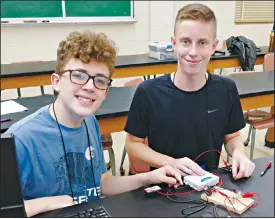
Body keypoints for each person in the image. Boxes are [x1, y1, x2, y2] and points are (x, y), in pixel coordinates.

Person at [6, 31, 183, 217]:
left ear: (105, 92)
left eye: (100, 80)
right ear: (56, 82)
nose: (90, 86)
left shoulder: (90, 123)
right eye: (79, 75)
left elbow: (101, 183)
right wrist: (46, 203)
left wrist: (148, 178)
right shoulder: (22, 139)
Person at [124, 3, 255, 180]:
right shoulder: (148, 92)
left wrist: (239, 153)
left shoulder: (226, 89)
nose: (193, 52)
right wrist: (170, 162)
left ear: (213, 46)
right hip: (165, 186)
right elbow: (133, 144)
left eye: (202, 43)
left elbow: (232, 136)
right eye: (186, 42)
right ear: (174, 43)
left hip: (208, 186)